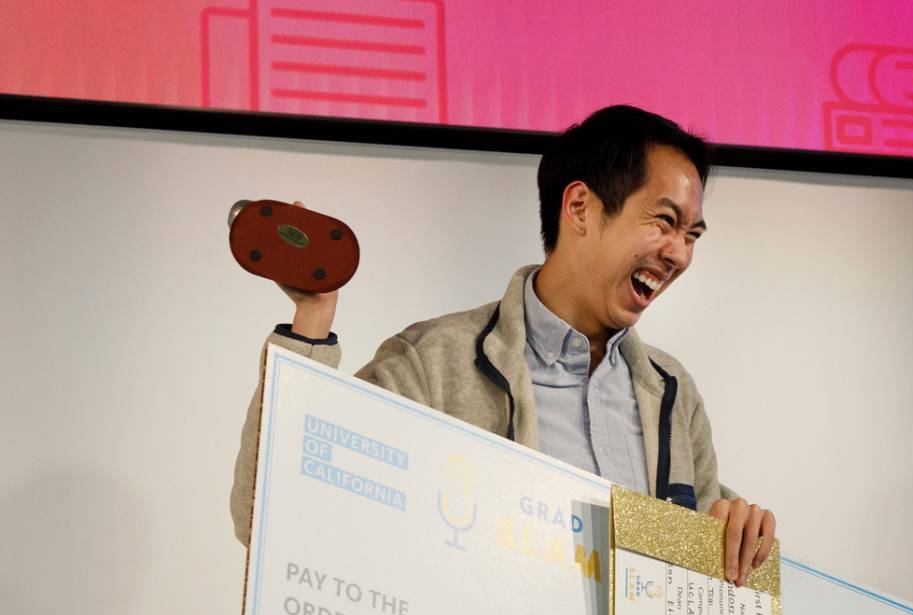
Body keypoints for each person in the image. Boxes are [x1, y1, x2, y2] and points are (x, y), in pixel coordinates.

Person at [231, 105, 775, 586]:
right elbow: (274, 514)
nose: (679, 253)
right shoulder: (434, 362)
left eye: (693, 235)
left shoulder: (673, 394)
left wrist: (739, 538)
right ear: (581, 207)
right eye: (665, 221)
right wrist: (311, 321)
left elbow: (710, 574)